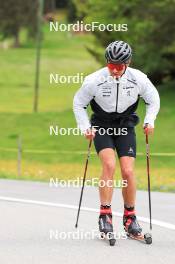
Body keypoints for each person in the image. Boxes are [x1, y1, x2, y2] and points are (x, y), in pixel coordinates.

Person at [73, 40, 160, 237]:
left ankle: (130, 217)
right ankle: (105, 214)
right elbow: (79, 103)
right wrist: (85, 127)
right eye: (111, 65)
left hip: (126, 125)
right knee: (109, 166)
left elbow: (153, 99)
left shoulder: (138, 79)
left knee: (128, 171)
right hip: (102, 125)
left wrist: (149, 120)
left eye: (119, 66)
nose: (114, 70)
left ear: (128, 63)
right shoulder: (94, 80)